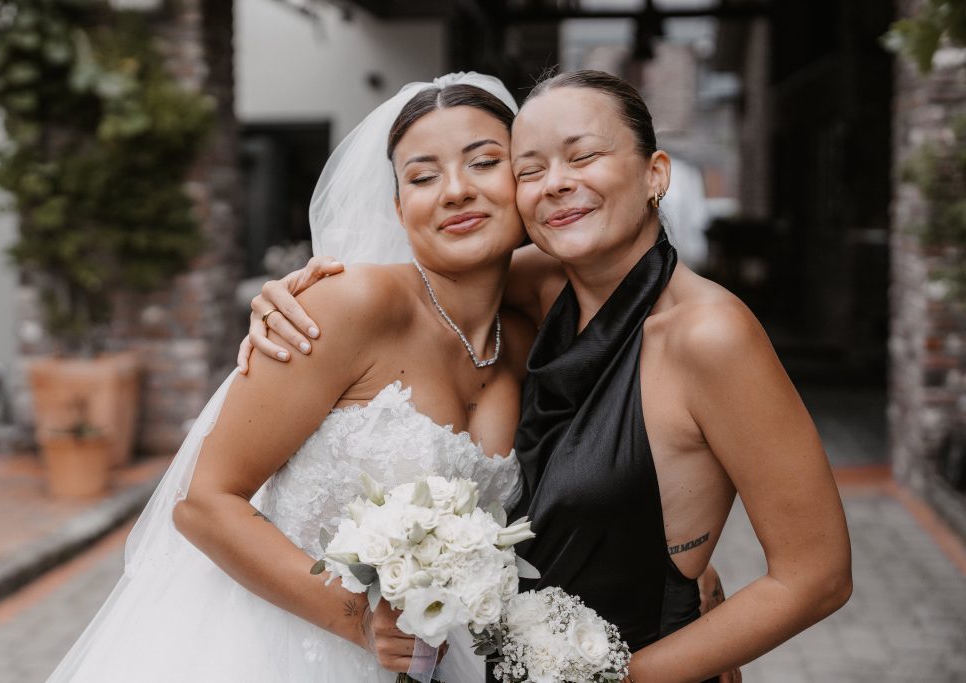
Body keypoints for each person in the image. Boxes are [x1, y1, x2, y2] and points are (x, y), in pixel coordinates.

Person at [247, 70, 852, 683]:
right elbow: (423, 282)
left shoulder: (709, 336)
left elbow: (816, 576)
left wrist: (624, 675)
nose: (557, 183)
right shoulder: (541, 289)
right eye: (530, 170)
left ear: (655, 174)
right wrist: (301, 294)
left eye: (584, 156)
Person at [45, 73, 533, 683]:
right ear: (398, 208)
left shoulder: (528, 337)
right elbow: (203, 503)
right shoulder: (350, 304)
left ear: (525, 180)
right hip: (273, 644)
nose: (456, 191)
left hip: (438, 654)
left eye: (485, 163)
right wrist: (354, 616)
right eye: (423, 176)